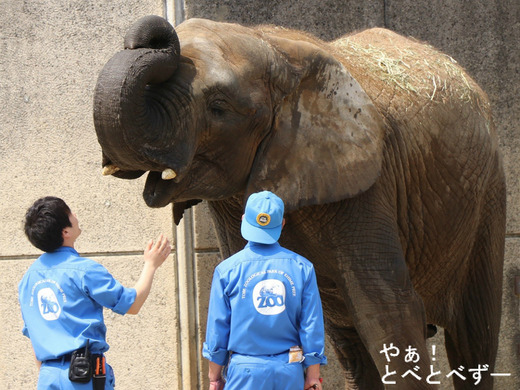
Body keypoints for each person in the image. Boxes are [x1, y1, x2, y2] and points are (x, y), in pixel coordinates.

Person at [18, 196, 171, 389]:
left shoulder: (28, 279)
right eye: (70, 213)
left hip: (48, 377)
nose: (75, 215)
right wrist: (151, 264)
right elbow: (132, 304)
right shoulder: (84, 271)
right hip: (82, 375)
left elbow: (34, 335)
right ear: (65, 231)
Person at [202, 191, 327, 390]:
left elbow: (218, 330)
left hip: (244, 373)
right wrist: (313, 376)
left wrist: (214, 378)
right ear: (282, 224)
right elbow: (311, 326)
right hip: (289, 370)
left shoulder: (227, 271)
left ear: (243, 220)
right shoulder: (303, 268)